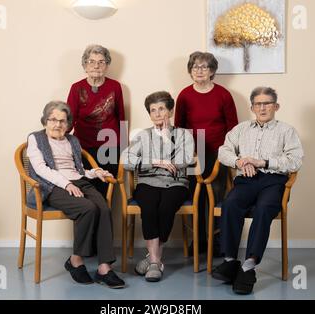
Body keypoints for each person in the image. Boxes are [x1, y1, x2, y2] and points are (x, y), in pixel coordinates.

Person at [213, 87, 304, 294]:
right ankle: (230, 261)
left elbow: (295, 160)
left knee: (264, 209)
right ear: (252, 107)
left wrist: (262, 161)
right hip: (246, 179)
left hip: (274, 181)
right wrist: (239, 160)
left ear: (276, 106)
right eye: (258, 104)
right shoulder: (241, 129)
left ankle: (248, 266)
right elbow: (223, 151)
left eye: (267, 103)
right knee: (230, 204)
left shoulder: (286, 131)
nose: (262, 108)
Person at [26, 101, 125, 289]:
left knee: (103, 208)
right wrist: (66, 184)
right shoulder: (35, 138)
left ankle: (104, 268)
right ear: (45, 121)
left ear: (68, 123)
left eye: (63, 121)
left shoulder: (72, 140)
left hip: (77, 182)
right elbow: (41, 169)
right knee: (87, 208)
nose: (58, 125)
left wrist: (96, 172)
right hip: (52, 186)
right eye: (53, 120)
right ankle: (75, 260)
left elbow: (78, 170)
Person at [121, 91, 195, 282]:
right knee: (149, 206)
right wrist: (155, 161)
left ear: (170, 111)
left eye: (161, 109)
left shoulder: (183, 134)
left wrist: (165, 137)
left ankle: (152, 259)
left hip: (176, 183)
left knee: (166, 207)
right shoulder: (143, 135)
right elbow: (125, 159)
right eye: (153, 110)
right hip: (148, 181)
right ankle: (156, 262)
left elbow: (185, 159)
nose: (157, 114)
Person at [175, 51, 238, 257]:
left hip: (219, 152)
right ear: (190, 71)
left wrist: (227, 153)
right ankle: (199, 240)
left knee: (217, 195)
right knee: (196, 195)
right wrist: (187, 152)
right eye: (195, 67)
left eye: (204, 67)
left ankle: (217, 239)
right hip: (194, 153)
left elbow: (233, 128)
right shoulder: (184, 95)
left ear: (212, 71)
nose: (199, 71)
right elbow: (179, 127)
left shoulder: (223, 94)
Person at [67, 44, 125, 197]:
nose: (96, 66)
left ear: (107, 65)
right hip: (83, 148)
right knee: (86, 191)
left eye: (101, 61)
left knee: (107, 190)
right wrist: (60, 142)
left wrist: (124, 147)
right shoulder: (76, 88)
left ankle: (105, 220)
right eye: (91, 61)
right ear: (85, 65)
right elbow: (69, 120)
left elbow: (121, 117)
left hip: (110, 147)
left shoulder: (115, 86)